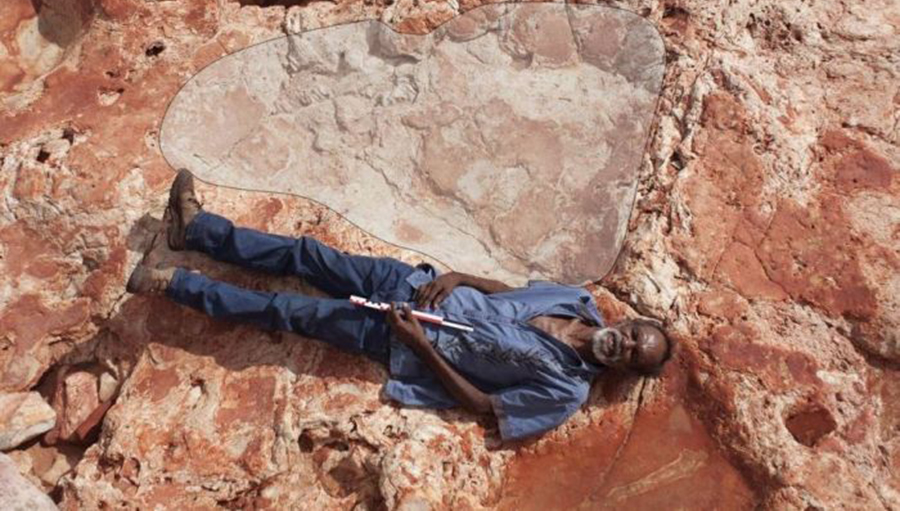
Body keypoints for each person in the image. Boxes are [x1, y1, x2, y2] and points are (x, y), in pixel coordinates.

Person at [127, 170, 673, 441]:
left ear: (626, 370)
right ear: (629, 321)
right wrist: (460, 276)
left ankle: (174, 285)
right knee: (305, 255)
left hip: (402, 336)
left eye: (633, 356)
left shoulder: (566, 393)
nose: (624, 345)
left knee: (288, 312)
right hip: (411, 283)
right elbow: (512, 294)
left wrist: (420, 346)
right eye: (633, 335)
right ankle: (197, 230)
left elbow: (485, 405)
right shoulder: (578, 300)